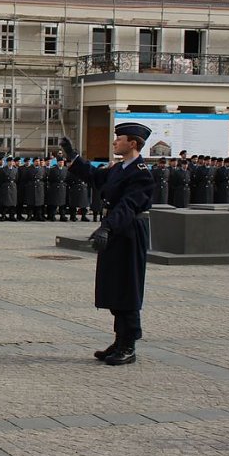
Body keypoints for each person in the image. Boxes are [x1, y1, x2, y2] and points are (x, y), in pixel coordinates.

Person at [61, 123, 154, 366]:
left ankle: (129, 345)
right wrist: (73, 157)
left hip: (129, 231)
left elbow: (129, 205)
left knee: (128, 287)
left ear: (132, 143)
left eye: (119, 139)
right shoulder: (119, 168)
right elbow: (94, 176)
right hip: (116, 228)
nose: (115, 142)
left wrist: (107, 226)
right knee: (114, 285)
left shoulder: (141, 172)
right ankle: (119, 340)